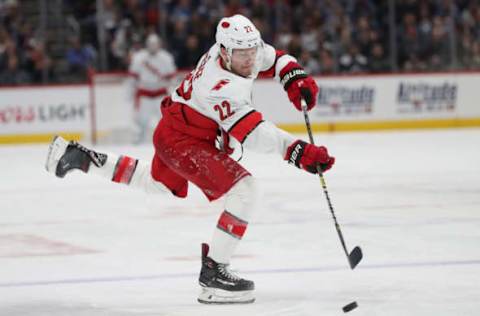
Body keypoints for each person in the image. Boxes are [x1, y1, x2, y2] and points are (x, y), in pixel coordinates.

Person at [45, 15, 335, 304]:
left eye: (252, 51)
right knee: (244, 190)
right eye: (242, 54)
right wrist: (299, 152)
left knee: (156, 183)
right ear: (224, 51)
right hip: (183, 142)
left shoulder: (233, 52)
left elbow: (272, 56)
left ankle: (80, 158)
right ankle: (214, 273)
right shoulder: (220, 87)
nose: (250, 60)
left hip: (174, 130)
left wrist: (293, 76)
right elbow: (255, 134)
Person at [128, 33, 177, 142]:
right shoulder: (139, 57)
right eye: (151, 44)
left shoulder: (166, 57)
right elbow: (133, 78)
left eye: (155, 44)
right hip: (144, 95)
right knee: (141, 121)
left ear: (159, 44)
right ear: (147, 44)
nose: (153, 46)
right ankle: (138, 143)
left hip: (160, 95)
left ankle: (167, 142)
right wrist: (131, 94)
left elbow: (172, 78)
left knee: (165, 122)